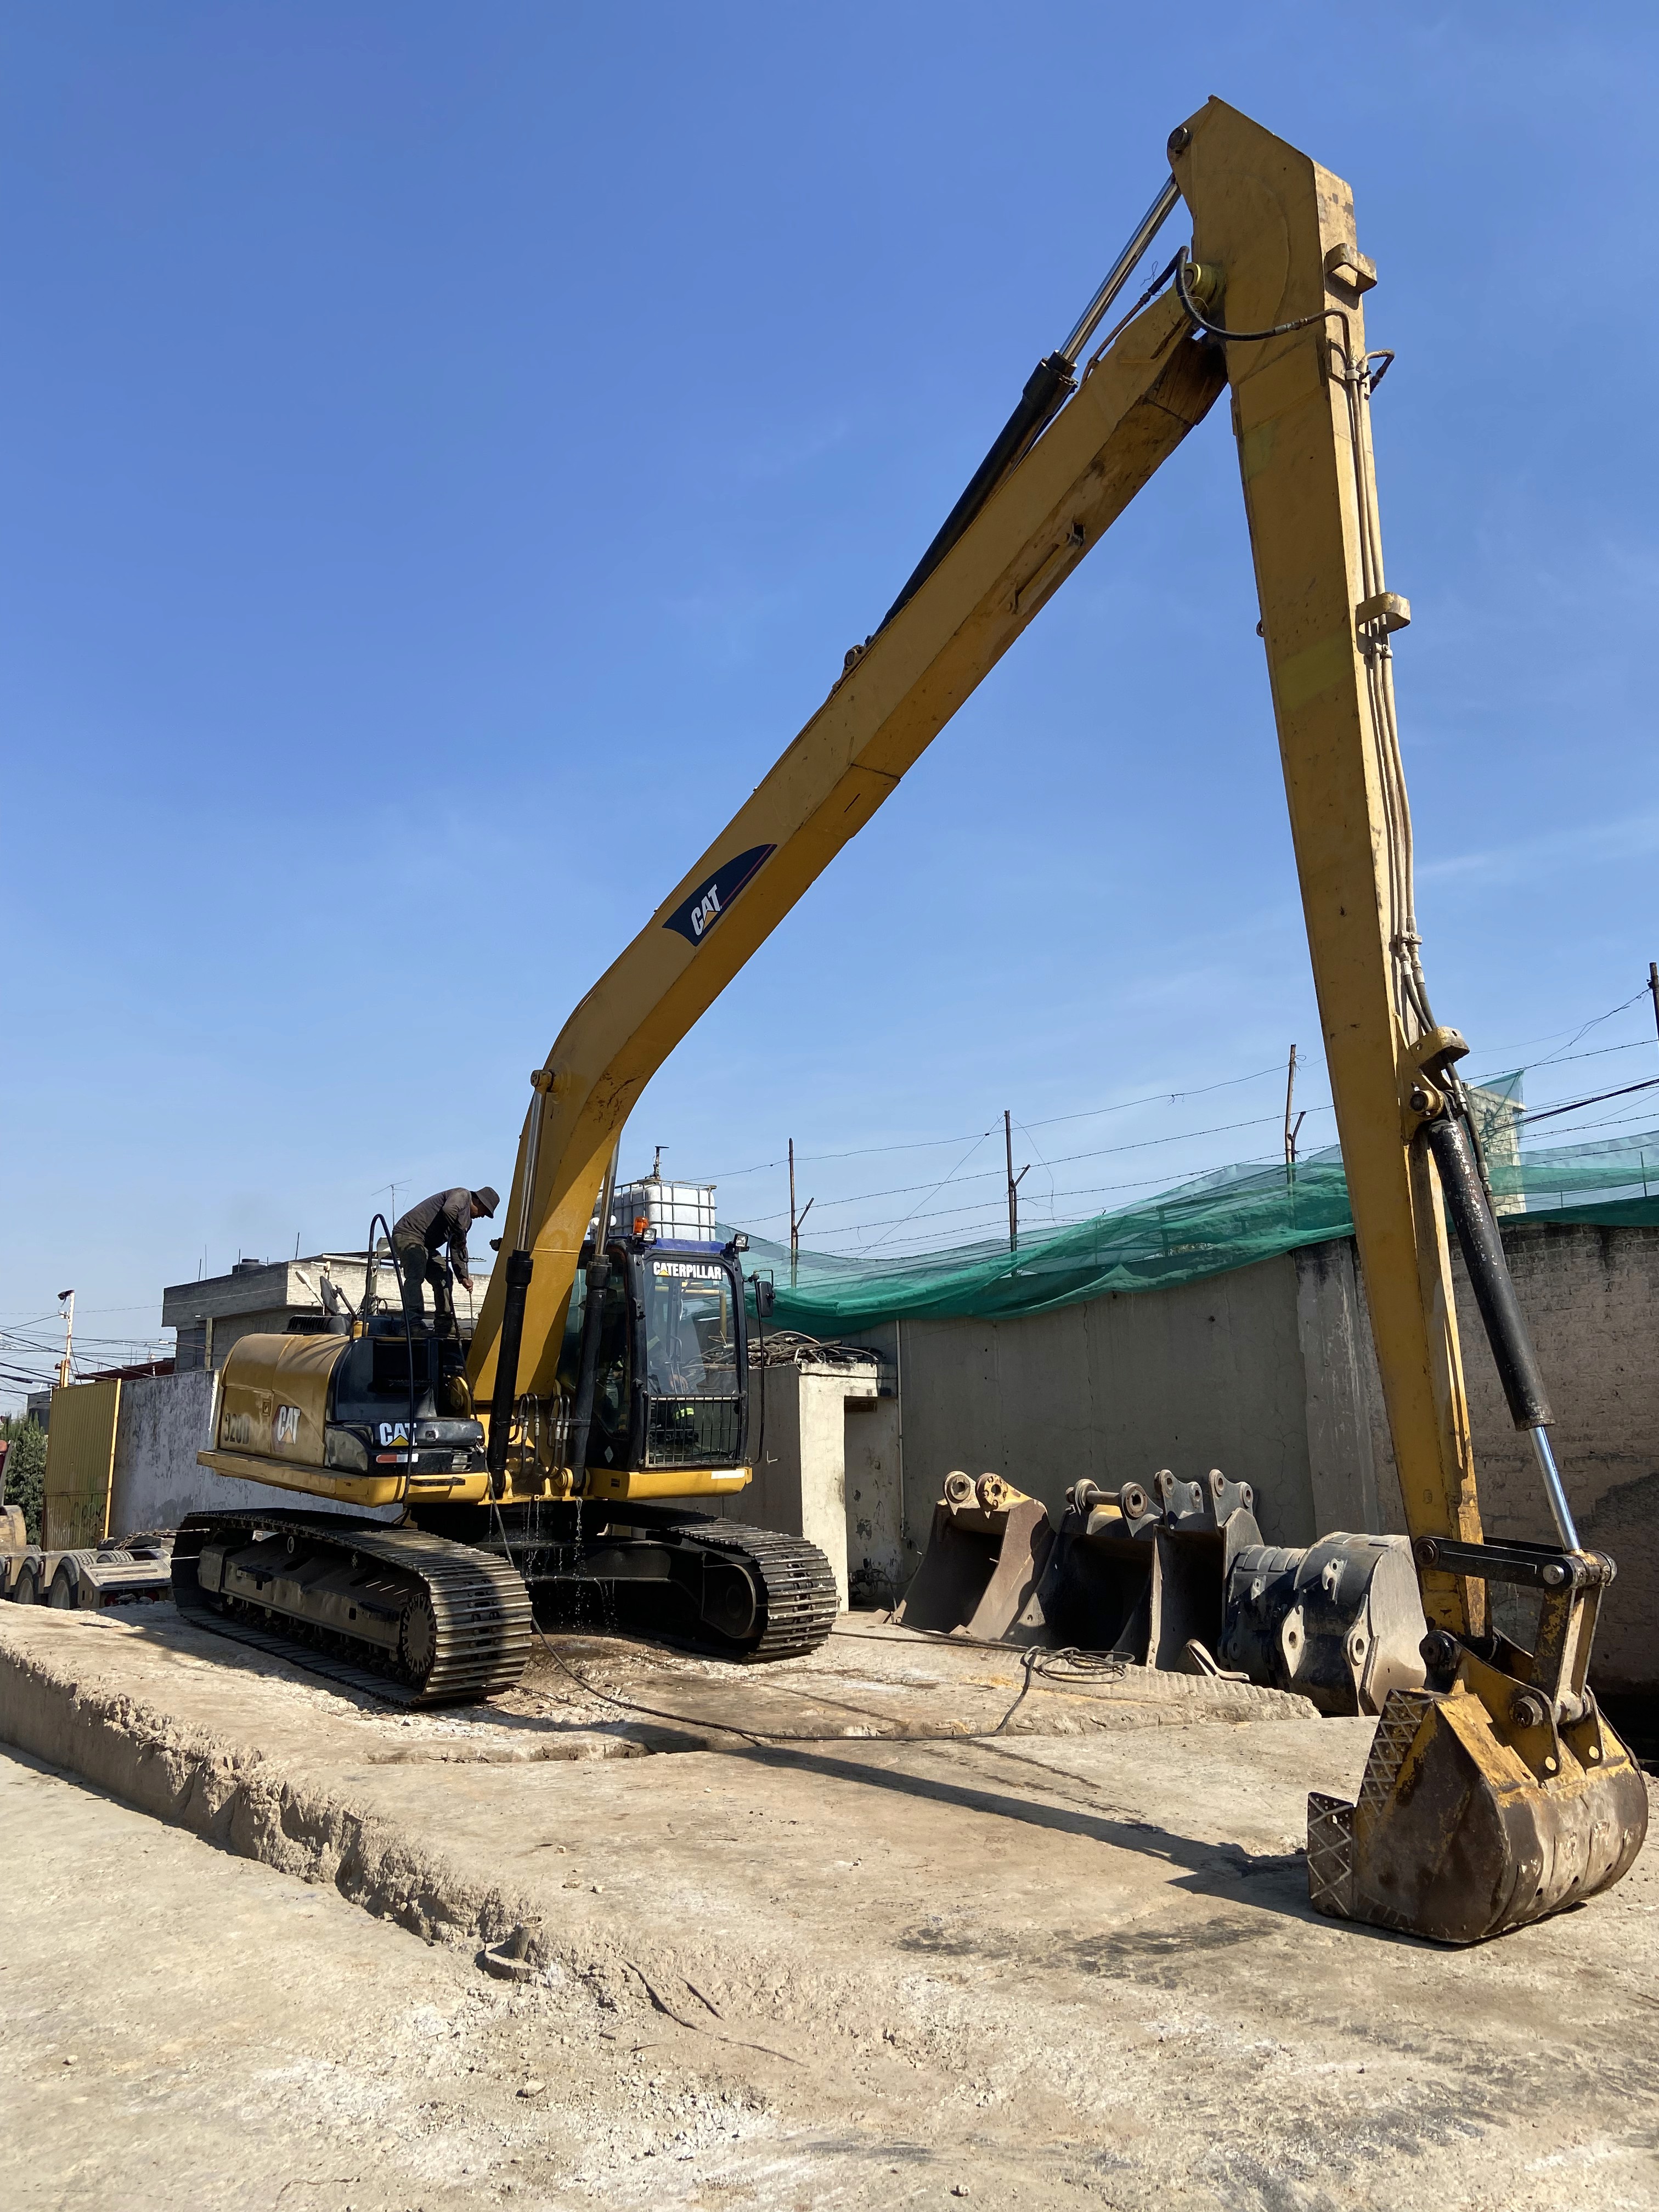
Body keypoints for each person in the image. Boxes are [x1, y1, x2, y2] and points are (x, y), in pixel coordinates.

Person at [392, 1187, 498, 1334]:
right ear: (479, 1202)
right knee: (416, 1273)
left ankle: (445, 1325)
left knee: (444, 1276)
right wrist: (460, 1233)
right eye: (484, 1212)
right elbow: (448, 1210)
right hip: (409, 1235)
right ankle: (411, 1326)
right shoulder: (462, 1195)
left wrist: (463, 1276)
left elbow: (456, 1247)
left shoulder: (467, 1222)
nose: (482, 1216)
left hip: (427, 1246)